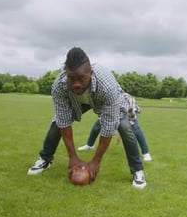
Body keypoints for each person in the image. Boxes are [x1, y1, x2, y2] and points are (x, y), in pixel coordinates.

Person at [27, 47, 147, 189]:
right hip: (78, 101)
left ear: (91, 73)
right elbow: (63, 121)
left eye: (81, 78)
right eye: (71, 78)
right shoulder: (59, 86)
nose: (76, 84)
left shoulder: (107, 86)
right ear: (66, 74)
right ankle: (45, 159)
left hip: (105, 99)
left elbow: (108, 128)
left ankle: (138, 170)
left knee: (125, 127)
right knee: (57, 123)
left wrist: (96, 161)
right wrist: (73, 157)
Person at [78, 93, 152, 162]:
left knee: (135, 128)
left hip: (129, 108)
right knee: (97, 126)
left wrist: (121, 132)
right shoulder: (105, 102)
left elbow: (130, 120)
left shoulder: (127, 102)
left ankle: (146, 153)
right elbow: (103, 117)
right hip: (113, 108)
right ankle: (89, 145)